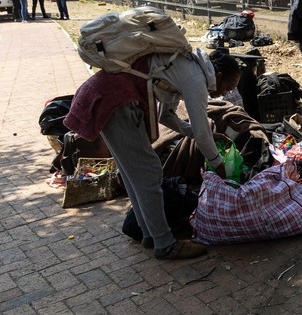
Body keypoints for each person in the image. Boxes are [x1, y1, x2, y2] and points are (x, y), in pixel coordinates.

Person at [64, 48, 242, 259]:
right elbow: (202, 129)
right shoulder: (196, 78)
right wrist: (218, 163)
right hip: (115, 101)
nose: (224, 94)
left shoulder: (186, 67)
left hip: (106, 96)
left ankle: (150, 234)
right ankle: (165, 244)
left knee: (133, 173)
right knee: (149, 173)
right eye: (227, 88)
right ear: (219, 76)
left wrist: (206, 138)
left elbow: (166, 115)